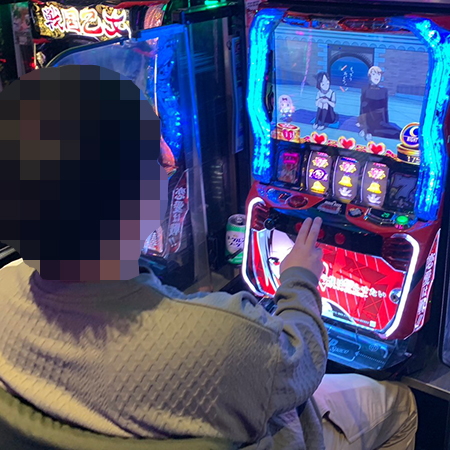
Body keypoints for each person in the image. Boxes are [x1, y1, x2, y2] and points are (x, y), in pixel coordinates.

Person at [0, 66, 417, 449]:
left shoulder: (4, 291)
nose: (170, 156)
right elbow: (304, 363)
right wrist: (300, 281)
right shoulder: (222, 337)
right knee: (401, 405)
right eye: (154, 154)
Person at [357, 66, 401, 141]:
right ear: (370, 76)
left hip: (381, 123)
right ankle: (367, 131)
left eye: (378, 74)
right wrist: (362, 125)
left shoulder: (384, 91)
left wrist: (386, 123)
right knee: (386, 133)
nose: (376, 77)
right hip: (369, 122)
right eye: (374, 74)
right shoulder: (365, 89)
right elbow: (363, 108)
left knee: (398, 132)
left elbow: (385, 109)